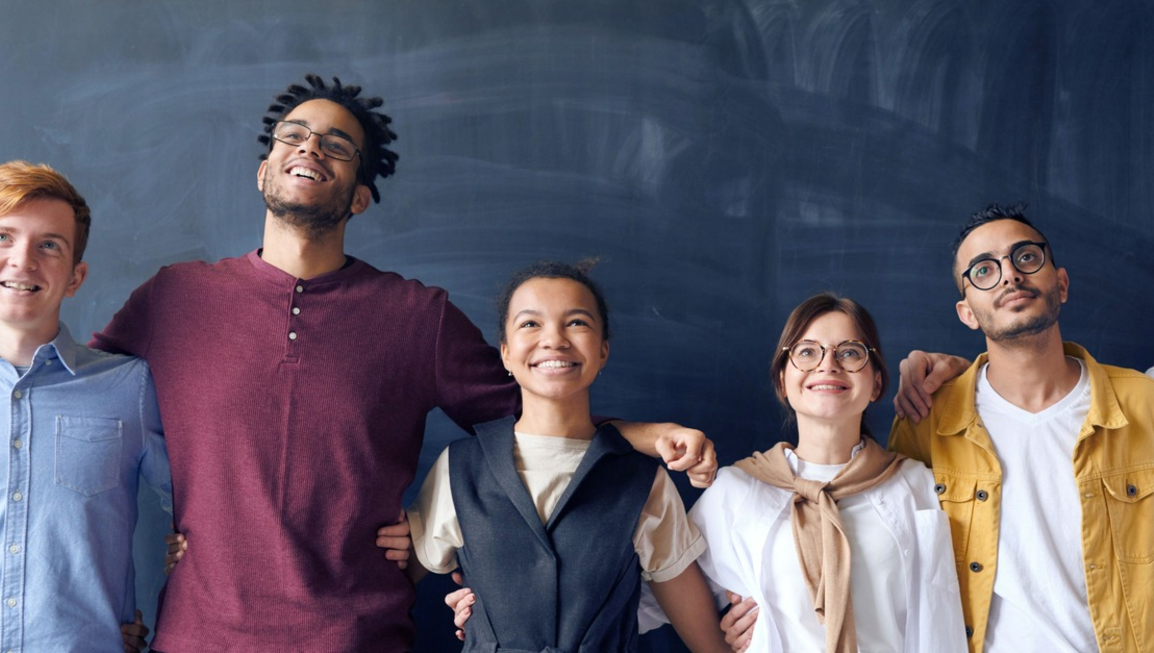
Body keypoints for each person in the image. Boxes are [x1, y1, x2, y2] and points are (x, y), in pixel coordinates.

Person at [90, 74, 716, 652]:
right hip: (201, 632)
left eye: (337, 144)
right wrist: (141, 546)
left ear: (360, 197)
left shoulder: (417, 317)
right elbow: (84, 409)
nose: (311, 147)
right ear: (263, 170)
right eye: (295, 134)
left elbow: (528, 413)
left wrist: (640, 434)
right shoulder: (175, 299)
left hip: (358, 635)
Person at [406, 260, 728, 652]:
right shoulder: (460, 469)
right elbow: (386, 590)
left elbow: (707, 641)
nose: (554, 339)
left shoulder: (641, 480)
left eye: (577, 322)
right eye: (530, 324)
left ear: (604, 350)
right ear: (505, 354)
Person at [888, 204, 1154, 652]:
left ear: (1062, 284)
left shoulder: (1144, 405)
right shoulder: (927, 420)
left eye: (1026, 257)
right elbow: (886, 558)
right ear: (966, 312)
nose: (1010, 275)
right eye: (984, 270)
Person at [658, 293, 963, 652]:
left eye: (850, 352)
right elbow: (659, 586)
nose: (828, 365)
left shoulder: (920, 486)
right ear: (782, 381)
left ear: (877, 383)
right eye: (807, 351)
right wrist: (717, 637)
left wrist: (962, 373)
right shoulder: (738, 490)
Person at [0, 161, 171, 652]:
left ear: (76, 277)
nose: (23, 261)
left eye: (48, 245)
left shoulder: (129, 389)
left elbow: (216, 507)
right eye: (3, 238)